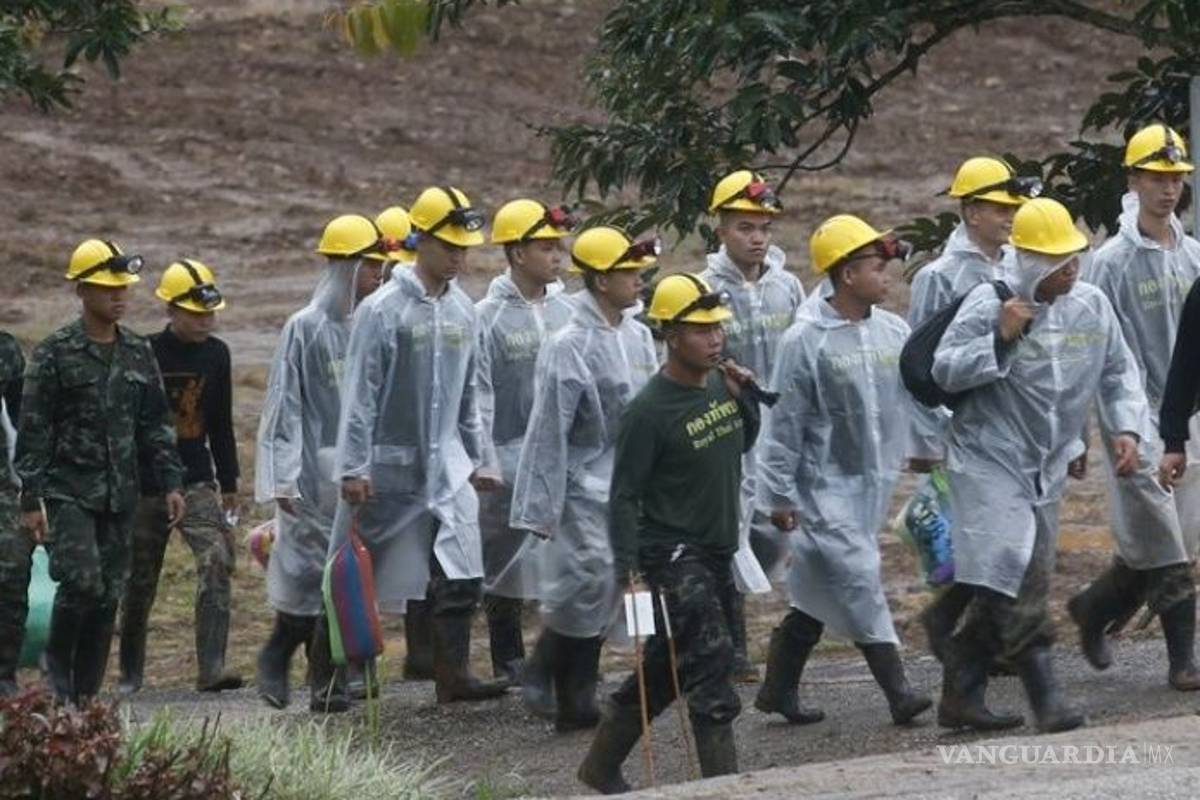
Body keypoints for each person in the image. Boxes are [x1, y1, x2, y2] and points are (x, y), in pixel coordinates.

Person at [933, 197, 1148, 733]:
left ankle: (960, 683)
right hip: (988, 457)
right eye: (1056, 262)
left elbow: (1118, 372)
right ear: (1028, 262)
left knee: (1018, 574)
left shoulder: (1091, 306)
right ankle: (1046, 698)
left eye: (1073, 258)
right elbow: (944, 370)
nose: (1070, 270)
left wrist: (1125, 429)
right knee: (1015, 566)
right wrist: (999, 337)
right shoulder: (989, 303)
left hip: (1046, 463)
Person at [578, 274, 758, 793]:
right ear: (672, 336)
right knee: (712, 662)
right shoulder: (649, 411)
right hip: (675, 556)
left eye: (717, 328)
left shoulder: (719, 384)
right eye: (701, 330)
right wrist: (629, 572)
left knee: (667, 665)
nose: (715, 339)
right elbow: (624, 495)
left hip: (718, 549)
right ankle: (722, 787)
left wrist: (745, 399)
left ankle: (599, 766)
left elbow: (741, 443)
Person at [754, 215, 932, 728]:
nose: (886, 276)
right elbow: (784, 424)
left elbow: (914, 399)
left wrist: (930, 447)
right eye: (877, 267)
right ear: (847, 274)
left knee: (819, 586)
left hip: (872, 484)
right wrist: (778, 495)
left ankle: (778, 687)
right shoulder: (804, 341)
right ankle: (899, 692)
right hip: (822, 487)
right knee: (858, 576)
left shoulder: (892, 331)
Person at [333, 186, 507, 706]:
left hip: (446, 462)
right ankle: (336, 675)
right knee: (359, 568)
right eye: (449, 246)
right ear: (421, 240)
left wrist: (479, 457)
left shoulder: (463, 311)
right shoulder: (383, 310)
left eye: (464, 248)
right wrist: (354, 466)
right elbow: (361, 394)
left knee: (462, 566)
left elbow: (472, 391)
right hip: (388, 463)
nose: (458, 257)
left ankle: (453, 675)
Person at [16, 239, 185, 705]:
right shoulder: (55, 353)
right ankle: (58, 682)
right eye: (108, 288)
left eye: (123, 288)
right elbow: (34, 429)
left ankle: (85, 700)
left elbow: (155, 423)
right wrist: (30, 498)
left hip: (121, 494)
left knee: (109, 593)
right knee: (81, 581)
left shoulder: (137, 351)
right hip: (69, 492)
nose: (119, 296)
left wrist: (171, 481)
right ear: (82, 291)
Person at [510, 226, 658, 732]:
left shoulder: (638, 335)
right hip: (581, 484)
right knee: (585, 578)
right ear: (599, 280)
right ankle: (543, 666)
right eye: (627, 273)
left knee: (613, 583)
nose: (638, 281)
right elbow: (548, 428)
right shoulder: (568, 345)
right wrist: (541, 504)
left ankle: (577, 695)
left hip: (626, 483)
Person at [1070, 123, 1200, 691]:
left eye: (1175, 178)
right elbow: (1096, 352)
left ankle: (1094, 606)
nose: (1167, 189)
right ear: (1133, 181)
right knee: (1166, 543)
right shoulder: (1112, 262)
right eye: (1155, 177)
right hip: (1135, 416)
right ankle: (1183, 661)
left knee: (1176, 536)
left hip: (1188, 417)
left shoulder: (1193, 255)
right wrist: (1087, 429)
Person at [908, 157, 1036, 661]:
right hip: (961, 425)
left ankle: (969, 633)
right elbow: (920, 364)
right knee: (983, 537)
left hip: (1011, 424)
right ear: (970, 211)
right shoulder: (939, 277)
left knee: (1001, 537)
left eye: (1012, 208)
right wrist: (928, 439)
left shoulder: (1016, 265)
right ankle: (982, 645)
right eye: (999, 208)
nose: (1009, 216)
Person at [254, 215, 384, 710]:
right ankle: (278, 655)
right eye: (369, 265)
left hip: (356, 476)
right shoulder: (305, 329)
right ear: (344, 267)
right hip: (311, 476)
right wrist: (282, 476)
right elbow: (284, 404)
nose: (378, 274)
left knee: (346, 578)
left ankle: (333, 679)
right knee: (309, 575)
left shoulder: (374, 326)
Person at [700, 169, 805, 681]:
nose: (757, 238)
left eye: (764, 227)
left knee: (776, 533)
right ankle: (731, 648)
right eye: (745, 227)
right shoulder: (705, 289)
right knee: (728, 533)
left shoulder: (788, 287)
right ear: (721, 229)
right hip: (728, 428)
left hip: (780, 428)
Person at [119, 260, 243, 694]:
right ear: (170, 309)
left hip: (196, 480)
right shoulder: (143, 352)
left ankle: (212, 667)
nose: (205, 321)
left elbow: (221, 423)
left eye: (210, 313)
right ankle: (130, 676)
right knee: (139, 582)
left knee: (216, 559)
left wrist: (230, 482)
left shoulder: (217, 354)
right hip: (145, 483)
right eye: (195, 314)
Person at [476, 199, 576, 682]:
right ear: (517, 253)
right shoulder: (486, 317)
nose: (557, 256)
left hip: (565, 456)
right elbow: (478, 392)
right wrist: (486, 455)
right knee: (503, 559)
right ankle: (507, 655)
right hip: (508, 453)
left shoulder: (569, 311)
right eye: (545, 247)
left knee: (569, 557)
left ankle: (566, 657)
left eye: (558, 246)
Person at [0, 330, 27, 695]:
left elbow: (23, 421)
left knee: (12, 570)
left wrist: (30, 487)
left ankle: (4, 674)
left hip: (4, 486)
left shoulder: (6, 349)